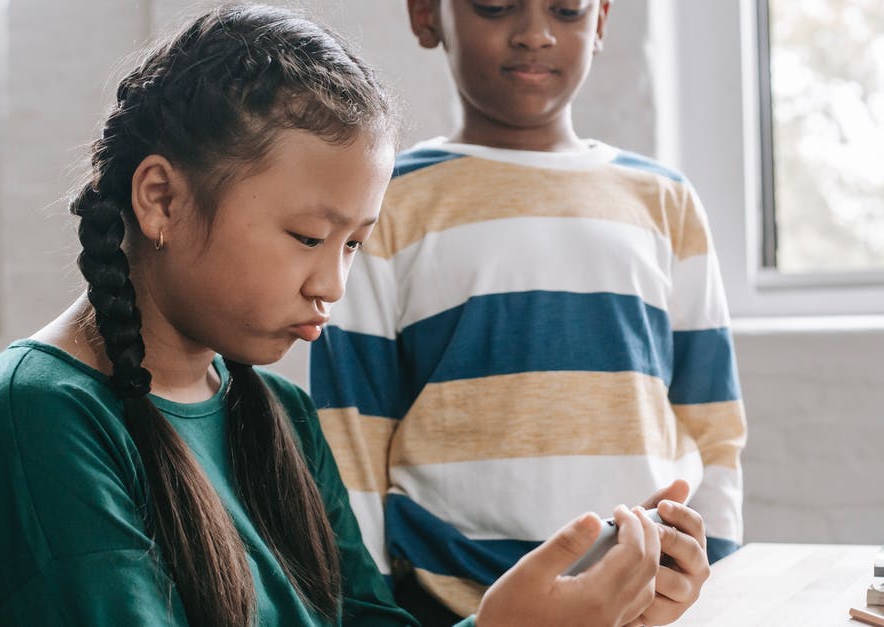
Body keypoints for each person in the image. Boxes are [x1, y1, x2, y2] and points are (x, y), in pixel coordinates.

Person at [0, 5, 666, 626]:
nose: (333, 283)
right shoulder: (35, 418)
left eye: (355, 243)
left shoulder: (282, 415)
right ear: (161, 199)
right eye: (307, 237)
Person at [309, 0, 747, 624]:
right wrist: (369, 606)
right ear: (427, 16)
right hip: (449, 603)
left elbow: (712, 426)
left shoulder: (665, 201)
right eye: (495, 6)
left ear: (600, 21)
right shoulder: (386, 203)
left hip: (645, 603)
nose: (535, 34)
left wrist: (719, 582)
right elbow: (352, 431)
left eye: (567, 10)